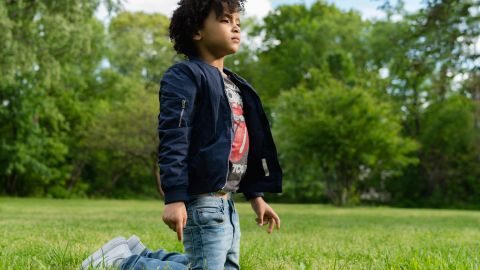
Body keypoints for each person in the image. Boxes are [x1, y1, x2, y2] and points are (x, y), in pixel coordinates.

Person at [159, 0, 283, 269]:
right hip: (202, 202)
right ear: (196, 31)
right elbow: (174, 137)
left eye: (238, 23)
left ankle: (140, 254)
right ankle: (127, 261)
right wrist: (174, 197)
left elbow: (247, 147)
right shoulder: (185, 76)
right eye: (226, 21)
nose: (236, 28)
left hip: (228, 204)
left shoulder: (237, 85)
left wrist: (256, 196)